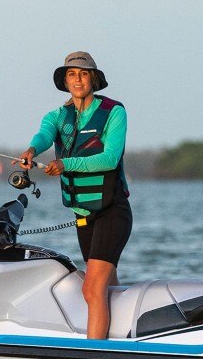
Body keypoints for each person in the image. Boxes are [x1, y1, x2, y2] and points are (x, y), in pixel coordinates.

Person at [15, 51, 132, 340]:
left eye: (82, 73)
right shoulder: (57, 116)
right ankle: (122, 343)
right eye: (71, 74)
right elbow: (44, 135)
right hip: (83, 215)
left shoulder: (114, 112)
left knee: (91, 288)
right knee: (106, 288)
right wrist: (31, 151)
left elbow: (109, 159)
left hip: (112, 211)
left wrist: (66, 164)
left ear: (93, 78)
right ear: (65, 81)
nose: (77, 79)